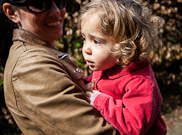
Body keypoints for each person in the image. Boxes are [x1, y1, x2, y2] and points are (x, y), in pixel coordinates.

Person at [1, 0, 119, 134]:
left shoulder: (43, 53)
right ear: (12, 13)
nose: (57, 11)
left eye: (60, 1)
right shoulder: (31, 66)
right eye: (40, 4)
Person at [79, 0, 167, 134]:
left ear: (124, 45)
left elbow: (134, 125)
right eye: (84, 38)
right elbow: (101, 80)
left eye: (96, 41)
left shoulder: (139, 82)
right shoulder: (108, 65)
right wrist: (85, 83)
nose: (86, 49)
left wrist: (100, 100)